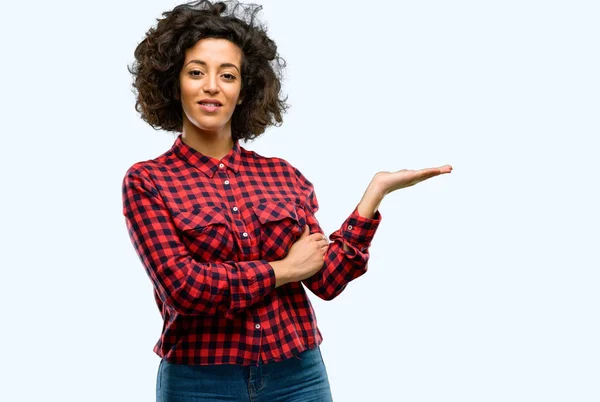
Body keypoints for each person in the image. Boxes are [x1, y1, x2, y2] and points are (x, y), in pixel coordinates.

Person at [121, 1, 452, 400]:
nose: (212, 86)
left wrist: (374, 195)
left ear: (244, 90)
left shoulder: (282, 175)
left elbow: (326, 279)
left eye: (228, 75)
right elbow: (185, 288)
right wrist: (282, 270)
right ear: (175, 83)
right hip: (199, 382)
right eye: (196, 72)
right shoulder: (148, 181)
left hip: (298, 376)